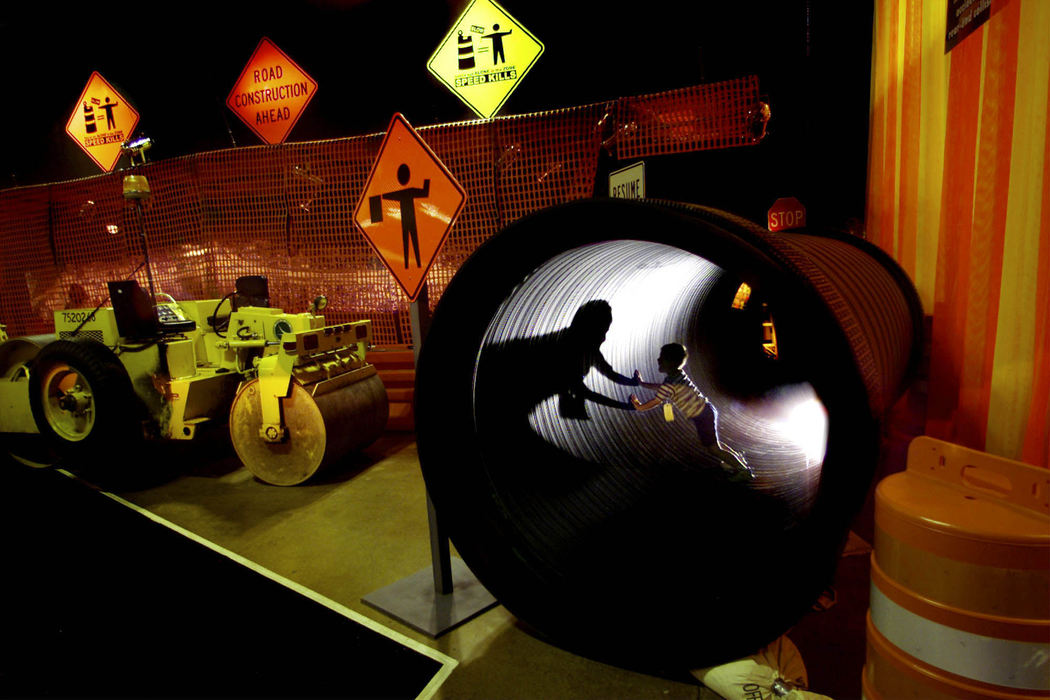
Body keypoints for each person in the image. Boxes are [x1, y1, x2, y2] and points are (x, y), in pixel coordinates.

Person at [630, 342, 754, 481]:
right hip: (706, 410)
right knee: (713, 444)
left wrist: (639, 406)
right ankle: (736, 462)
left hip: (702, 415)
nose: (658, 360)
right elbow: (662, 388)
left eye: (662, 358)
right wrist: (642, 383)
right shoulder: (677, 375)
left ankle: (743, 470)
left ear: (670, 362)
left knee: (713, 448)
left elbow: (655, 401)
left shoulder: (671, 383)